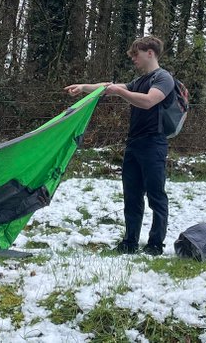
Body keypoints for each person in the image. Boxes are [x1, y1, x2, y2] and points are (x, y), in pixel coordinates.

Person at [65, 35, 176, 256]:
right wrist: (83, 87)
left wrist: (119, 91)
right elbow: (108, 87)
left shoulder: (163, 78)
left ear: (150, 53)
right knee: (131, 195)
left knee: (155, 194)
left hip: (154, 143)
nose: (133, 58)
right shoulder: (139, 81)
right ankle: (130, 242)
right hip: (134, 144)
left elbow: (148, 101)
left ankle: (155, 243)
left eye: (137, 54)